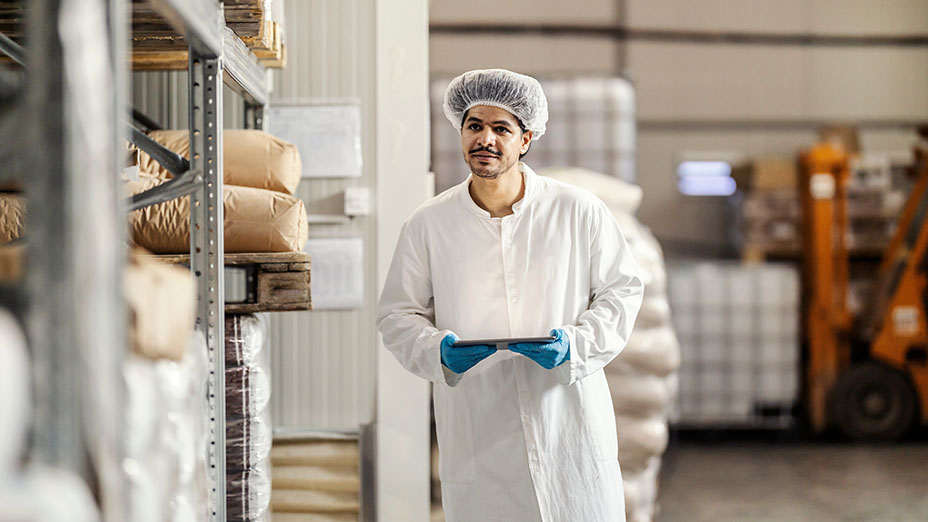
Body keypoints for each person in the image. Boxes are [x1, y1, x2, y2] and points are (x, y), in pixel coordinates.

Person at [376, 68, 643, 522]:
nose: (486, 139)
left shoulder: (577, 211)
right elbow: (397, 315)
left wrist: (576, 345)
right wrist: (435, 352)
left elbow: (622, 291)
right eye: (474, 125)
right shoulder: (429, 224)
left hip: (566, 424)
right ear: (460, 132)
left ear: (526, 139)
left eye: (502, 128)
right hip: (479, 429)